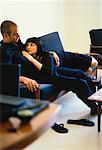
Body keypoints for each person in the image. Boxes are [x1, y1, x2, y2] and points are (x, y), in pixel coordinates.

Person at [0, 20, 98, 133]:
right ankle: (94, 107)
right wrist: (23, 79)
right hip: (41, 76)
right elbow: (5, 74)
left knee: (79, 74)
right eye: (15, 34)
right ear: (6, 35)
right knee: (78, 83)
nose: (19, 36)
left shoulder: (16, 42)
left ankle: (96, 100)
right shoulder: (4, 52)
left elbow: (34, 49)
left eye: (18, 33)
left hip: (47, 69)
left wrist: (51, 53)